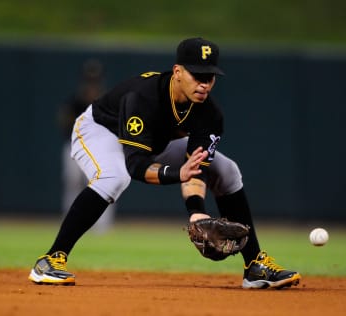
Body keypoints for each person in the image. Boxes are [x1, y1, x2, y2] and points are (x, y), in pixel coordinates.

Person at [29, 37, 301, 289]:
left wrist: (196, 212)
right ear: (178, 71)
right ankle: (51, 260)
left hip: (155, 142)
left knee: (227, 169)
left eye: (211, 77)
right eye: (198, 75)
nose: (204, 84)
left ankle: (255, 267)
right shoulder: (143, 97)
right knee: (114, 176)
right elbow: (135, 166)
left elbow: (196, 169)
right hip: (101, 130)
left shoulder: (210, 114)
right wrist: (176, 173)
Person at [57, 59, 115, 232]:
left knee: (104, 185)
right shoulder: (75, 101)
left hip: (101, 149)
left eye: (95, 79)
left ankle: (102, 226)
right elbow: (64, 122)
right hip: (75, 147)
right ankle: (71, 222)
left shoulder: (107, 100)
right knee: (73, 183)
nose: (92, 82)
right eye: (89, 79)